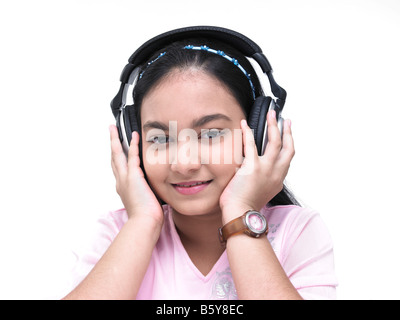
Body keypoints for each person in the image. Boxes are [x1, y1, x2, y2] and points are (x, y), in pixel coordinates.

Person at [64, 27, 337, 300]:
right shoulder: (114, 234)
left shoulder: (297, 232)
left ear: (259, 134)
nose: (184, 164)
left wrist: (240, 212)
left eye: (211, 134)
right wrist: (143, 222)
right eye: (160, 138)